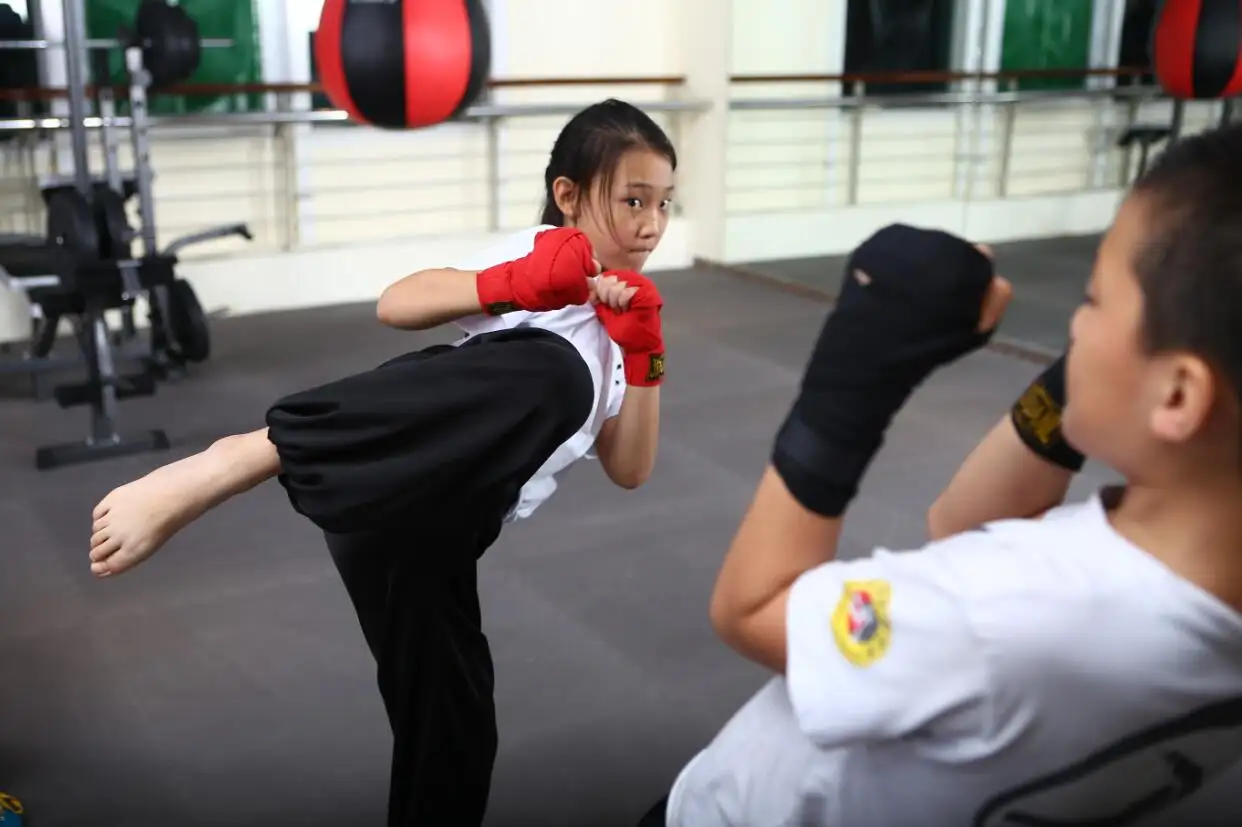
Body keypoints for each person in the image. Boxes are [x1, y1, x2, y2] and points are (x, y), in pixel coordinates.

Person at [87, 98, 676, 827]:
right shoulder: (541, 258)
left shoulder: (633, 310)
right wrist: (514, 283)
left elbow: (629, 466)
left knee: (457, 735)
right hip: (390, 462)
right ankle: (243, 454)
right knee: (554, 373)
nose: (651, 223)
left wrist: (644, 357)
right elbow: (396, 305)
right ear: (568, 196)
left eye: (664, 204)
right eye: (633, 200)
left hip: (436, 532)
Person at [641, 121, 1242, 827]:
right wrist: (1082, 384)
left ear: (1177, 395)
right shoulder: (1187, 589)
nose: (1074, 327)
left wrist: (849, 384)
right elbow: (965, 525)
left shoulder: (1009, 612)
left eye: (1093, 301)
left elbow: (750, 607)